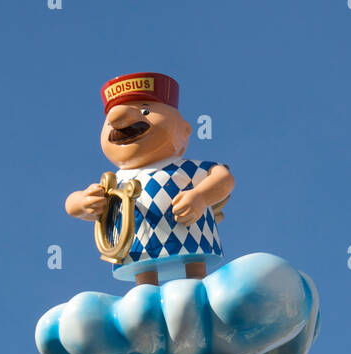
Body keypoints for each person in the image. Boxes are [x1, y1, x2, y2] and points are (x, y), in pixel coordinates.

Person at [65, 71, 235, 286]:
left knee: (195, 279)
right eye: (109, 123)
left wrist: (200, 196)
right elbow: (70, 204)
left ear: (185, 129)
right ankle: (145, 293)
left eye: (145, 111)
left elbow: (224, 179)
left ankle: (198, 283)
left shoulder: (188, 169)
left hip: (193, 238)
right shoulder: (114, 182)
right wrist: (84, 201)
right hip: (136, 248)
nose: (117, 122)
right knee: (144, 284)